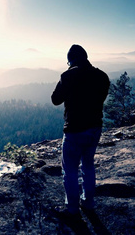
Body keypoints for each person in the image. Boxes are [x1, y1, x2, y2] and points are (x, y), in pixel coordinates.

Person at [51, 44, 110, 218]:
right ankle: (89, 203)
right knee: (88, 165)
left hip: (74, 129)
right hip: (95, 127)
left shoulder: (68, 75)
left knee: (70, 169)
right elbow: (101, 98)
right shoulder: (102, 76)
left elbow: (55, 99)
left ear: (70, 60)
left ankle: (72, 209)